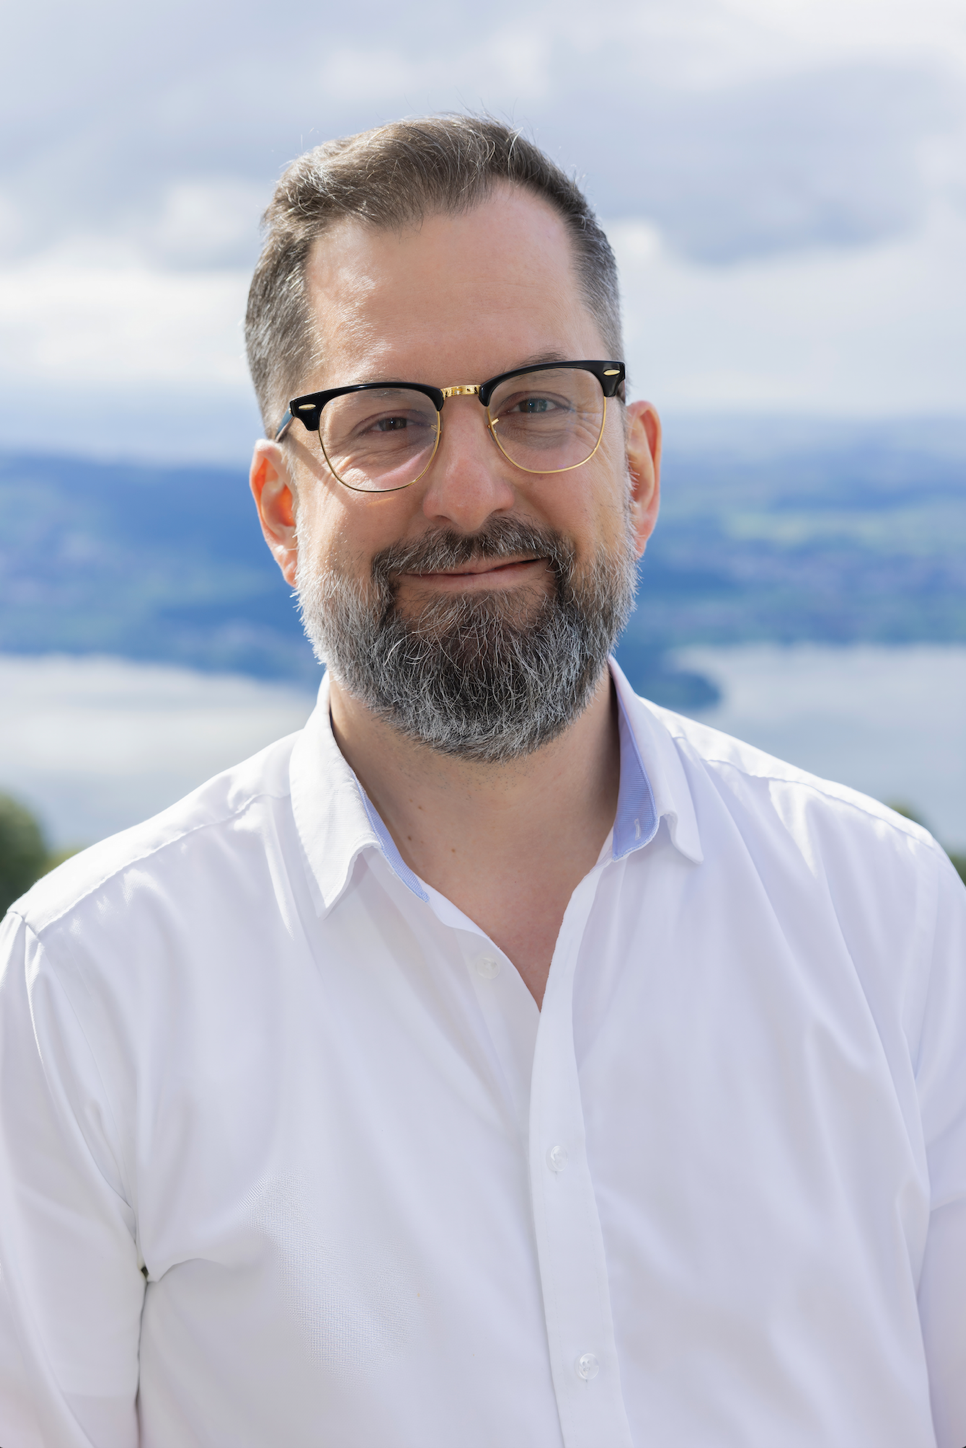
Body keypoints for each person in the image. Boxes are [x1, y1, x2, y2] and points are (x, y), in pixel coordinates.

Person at [0, 115, 963, 1448]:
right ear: (285, 510)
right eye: (386, 421)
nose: (466, 489)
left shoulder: (891, 916)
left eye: (535, 403)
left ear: (632, 468)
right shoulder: (84, 987)